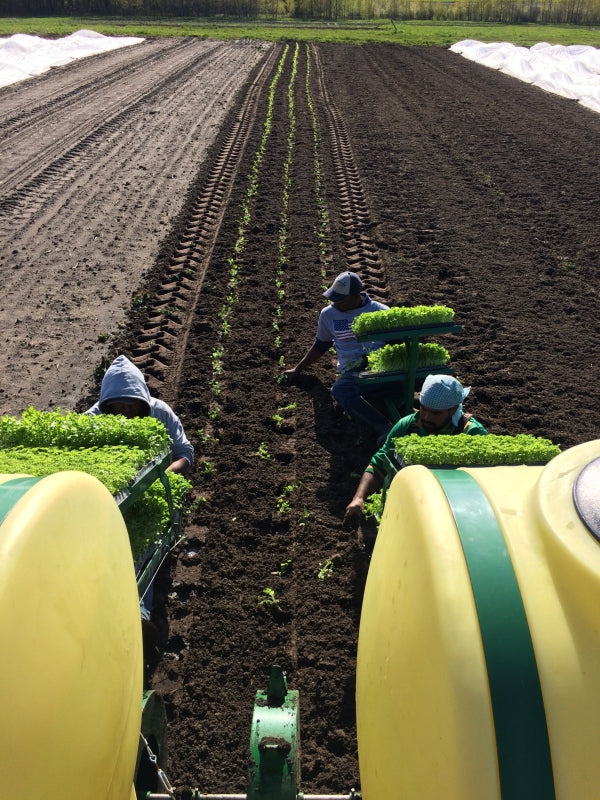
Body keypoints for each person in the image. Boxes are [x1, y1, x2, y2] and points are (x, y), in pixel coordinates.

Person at [343, 374, 487, 529]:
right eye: (423, 409)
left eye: (435, 413)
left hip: (456, 510)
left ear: (452, 409)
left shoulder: (471, 433)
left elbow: (484, 483)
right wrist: (359, 498)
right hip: (413, 501)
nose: (426, 417)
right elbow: (379, 462)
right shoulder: (408, 425)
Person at [284, 270, 392, 440]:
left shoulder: (380, 311)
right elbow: (321, 345)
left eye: (339, 299)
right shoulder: (328, 315)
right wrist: (297, 369)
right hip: (353, 370)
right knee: (340, 390)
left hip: (382, 367)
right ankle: (383, 427)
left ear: (356, 296)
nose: (334, 302)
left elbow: (396, 342)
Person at [86, 354, 194, 474]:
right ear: (110, 403)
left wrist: (160, 476)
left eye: (132, 403)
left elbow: (184, 453)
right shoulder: (92, 420)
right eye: (121, 404)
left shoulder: (160, 412)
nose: (127, 409)